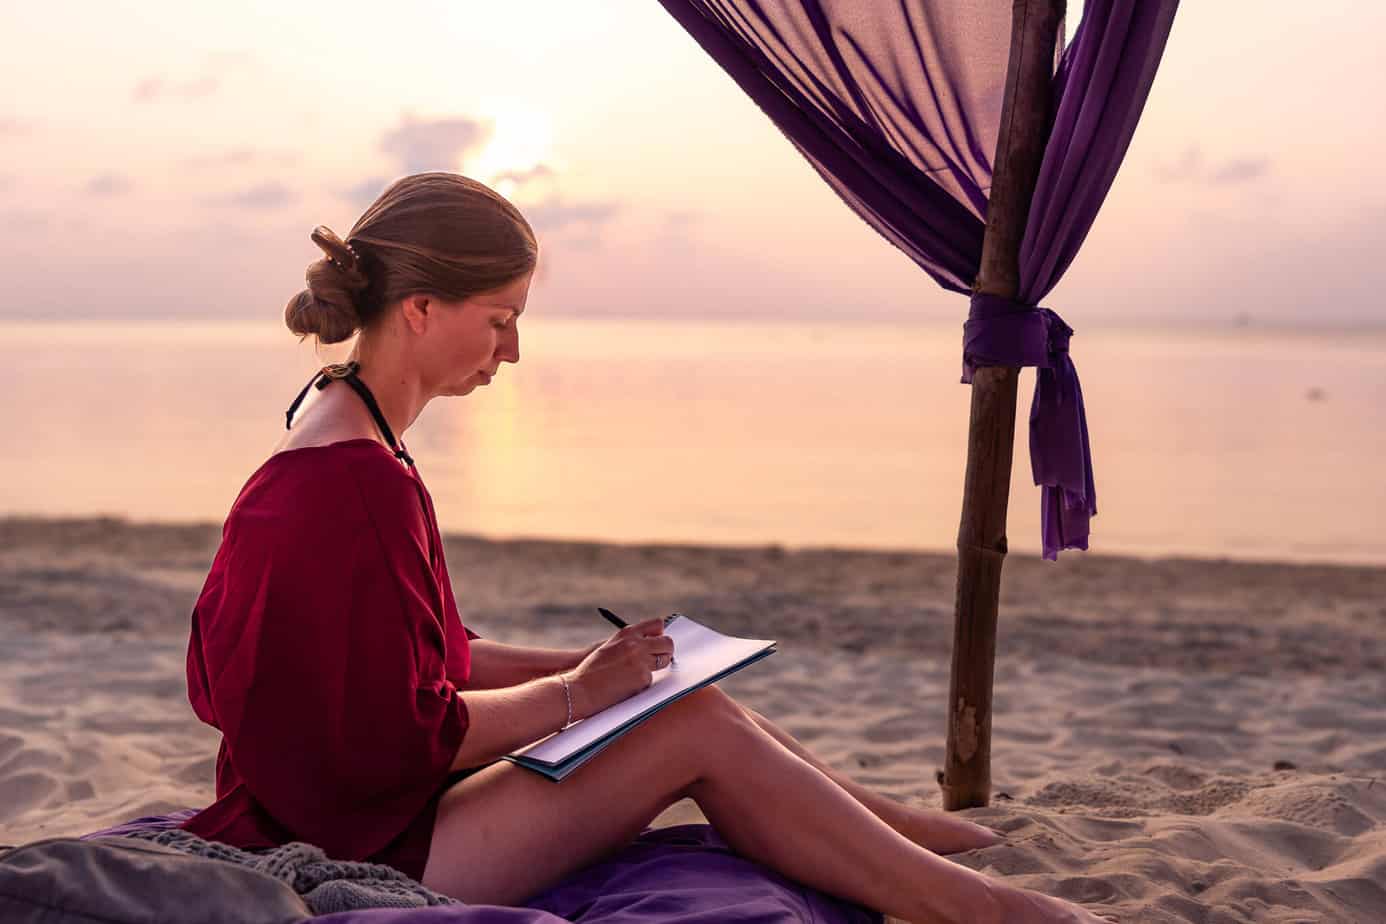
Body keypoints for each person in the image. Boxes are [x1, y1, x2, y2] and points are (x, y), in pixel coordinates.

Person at [179, 172, 1117, 924]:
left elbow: (425, 663)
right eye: (499, 320)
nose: (510, 354)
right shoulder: (355, 481)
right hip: (367, 841)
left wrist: (598, 668)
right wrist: (578, 696)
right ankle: (978, 908)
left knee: (678, 695)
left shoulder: (342, 434)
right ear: (420, 310)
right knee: (689, 727)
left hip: (355, 808)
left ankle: (906, 833)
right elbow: (404, 731)